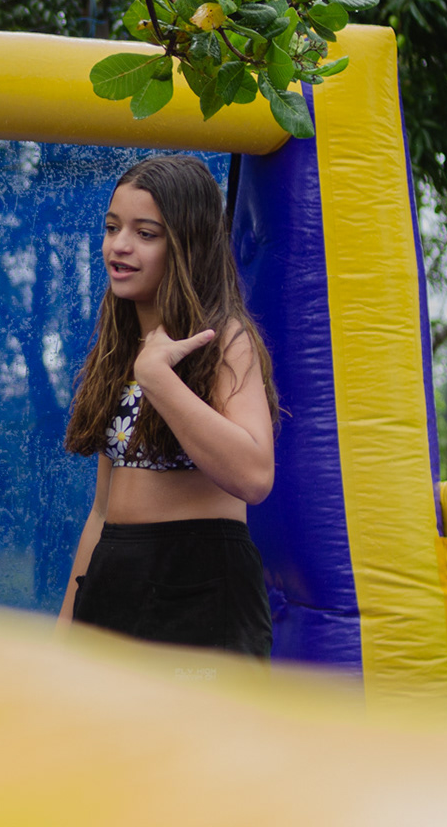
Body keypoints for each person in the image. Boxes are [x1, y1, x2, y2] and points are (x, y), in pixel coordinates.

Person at [57, 154, 278, 656]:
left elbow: (255, 475)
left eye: (145, 233)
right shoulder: (120, 349)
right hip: (114, 579)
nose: (119, 245)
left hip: (198, 587)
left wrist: (159, 379)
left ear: (187, 245)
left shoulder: (224, 340)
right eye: (112, 228)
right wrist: (67, 634)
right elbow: (101, 510)